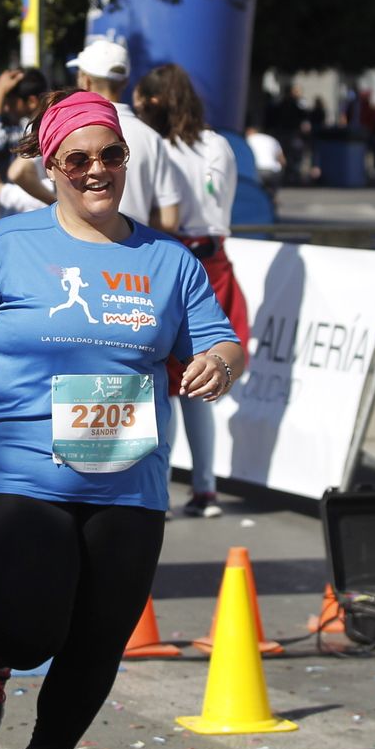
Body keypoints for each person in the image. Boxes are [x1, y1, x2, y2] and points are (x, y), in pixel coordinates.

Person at [0, 89, 244, 749]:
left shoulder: (169, 259)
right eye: (80, 158)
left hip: (129, 480)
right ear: (53, 165)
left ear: (127, 160)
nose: (97, 169)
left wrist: (217, 361)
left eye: (111, 155)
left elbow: (223, 340)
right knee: (32, 630)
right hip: (22, 469)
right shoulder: (4, 245)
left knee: (96, 641)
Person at [134, 64, 247, 519]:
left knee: (164, 379)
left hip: (173, 259)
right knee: (203, 378)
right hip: (214, 257)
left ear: (155, 102)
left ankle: (159, 490)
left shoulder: (155, 146)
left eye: (141, 101)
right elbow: (225, 202)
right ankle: (204, 488)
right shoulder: (218, 143)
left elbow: (164, 213)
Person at [71, 40, 180, 230]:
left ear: (85, 80)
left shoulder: (70, 129)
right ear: (125, 82)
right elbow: (169, 220)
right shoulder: (151, 138)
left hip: (79, 245)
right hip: (135, 250)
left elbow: (20, 171)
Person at [244, 125, 286, 197]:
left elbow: (244, 157)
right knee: (272, 194)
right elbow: (283, 161)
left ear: (249, 132)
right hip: (274, 170)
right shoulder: (272, 139)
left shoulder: (248, 139)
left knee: (255, 193)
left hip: (258, 169)